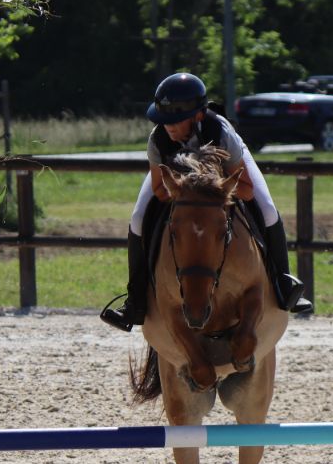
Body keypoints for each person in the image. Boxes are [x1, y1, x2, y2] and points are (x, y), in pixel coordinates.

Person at [101, 72, 313, 331]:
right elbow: (159, 188)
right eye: (164, 119)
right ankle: (135, 301)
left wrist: (212, 190)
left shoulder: (221, 133)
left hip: (224, 171)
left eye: (175, 120)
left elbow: (244, 189)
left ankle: (283, 284)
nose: (169, 126)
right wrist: (188, 190)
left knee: (267, 209)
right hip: (179, 181)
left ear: (198, 115)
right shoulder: (158, 140)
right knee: (137, 219)